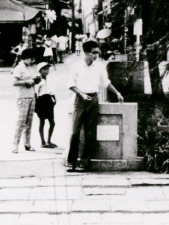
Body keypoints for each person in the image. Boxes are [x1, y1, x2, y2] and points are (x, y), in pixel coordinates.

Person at [67, 39, 124, 172]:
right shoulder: (76, 66)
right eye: (93, 53)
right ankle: (72, 162)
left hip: (93, 99)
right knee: (75, 133)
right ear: (86, 53)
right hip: (80, 100)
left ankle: (85, 162)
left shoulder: (99, 66)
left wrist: (117, 93)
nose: (96, 55)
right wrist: (81, 95)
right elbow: (70, 83)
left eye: (97, 53)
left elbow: (105, 82)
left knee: (90, 133)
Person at [12, 48, 40, 153]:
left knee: (29, 122)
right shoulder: (19, 68)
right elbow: (14, 82)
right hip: (22, 96)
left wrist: (36, 80)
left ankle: (27, 143)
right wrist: (26, 82)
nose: (33, 61)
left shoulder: (30, 68)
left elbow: (33, 80)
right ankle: (15, 144)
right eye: (31, 59)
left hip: (32, 95)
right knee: (21, 121)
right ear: (26, 58)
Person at [34, 62, 57, 148]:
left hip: (49, 100)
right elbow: (35, 92)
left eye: (47, 69)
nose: (46, 71)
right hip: (41, 101)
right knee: (42, 122)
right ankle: (43, 142)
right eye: (44, 69)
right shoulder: (38, 79)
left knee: (52, 122)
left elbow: (51, 89)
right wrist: (36, 104)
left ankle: (49, 140)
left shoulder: (49, 79)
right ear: (40, 71)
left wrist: (54, 99)